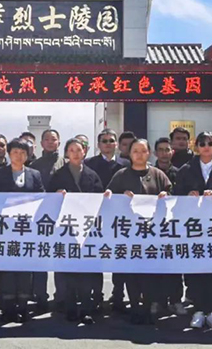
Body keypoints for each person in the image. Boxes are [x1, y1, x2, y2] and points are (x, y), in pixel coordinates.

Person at [173, 131, 212, 330]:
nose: (206, 147)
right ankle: (199, 310)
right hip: (195, 228)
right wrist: (188, 196)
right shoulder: (186, 170)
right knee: (196, 269)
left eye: (210, 143)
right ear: (196, 147)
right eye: (202, 143)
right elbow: (176, 197)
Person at [107, 138, 171, 325]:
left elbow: (171, 194)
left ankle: (149, 307)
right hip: (129, 233)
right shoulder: (121, 175)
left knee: (150, 272)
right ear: (129, 153)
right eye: (135, 151)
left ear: (149, 153)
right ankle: (135, 307)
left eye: (143, 151)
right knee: (132, 272)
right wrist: (120, 197)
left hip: (152, 232)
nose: (139, 155)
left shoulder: (157, 174)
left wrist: (165, 195)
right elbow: (109, 197)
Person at [48, 138, 105, 325]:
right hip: (66, 230)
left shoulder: (92, 175)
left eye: (78, 150)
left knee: (86, 272)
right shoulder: (58, 175)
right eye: (71, 150)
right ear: (66, 153)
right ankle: (70, 308)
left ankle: (86, 309)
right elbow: (48, 198)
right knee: (69, 272)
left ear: (84, 152)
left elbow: (100, 198)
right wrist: (56, 195)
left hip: (87, 230)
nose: (75, 153)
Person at [0, 138, 45, 323]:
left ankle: (22, 306)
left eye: (22, 153)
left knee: (24, 269)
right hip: (5, 229)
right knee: (6, 269)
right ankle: (7, 308)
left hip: (26, 229)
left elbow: (42, 197)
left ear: (27, 155)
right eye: (15, 152)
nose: (18, 156)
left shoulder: (34, 174)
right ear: (9, 154)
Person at [84, 128, 128, 312]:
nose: (108, 144)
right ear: (98, 145)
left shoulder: (126, 164)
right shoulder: (89, 163)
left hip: (120, 218)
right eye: (104, 141)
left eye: (111, 141)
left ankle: (118, 295)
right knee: (96, 257)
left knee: (120, 256)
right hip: (96, 217)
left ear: (116, 144)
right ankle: (96, 295)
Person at [29, 128, 65, 311]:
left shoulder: (65, 163)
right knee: (40, 257)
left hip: (61, 218)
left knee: (60, 256)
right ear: (41, 143)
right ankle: (40, 296)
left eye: (54, 139)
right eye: (47, 139)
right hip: (40, 217)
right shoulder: (34, 165)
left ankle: (61, 296)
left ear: (59, 142)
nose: (51, 142)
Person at [152, 137, 186, 316]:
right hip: (152, 227)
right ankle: (157, 301)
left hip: (174, 226)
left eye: (167, 150)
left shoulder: (180, 173)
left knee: (175, 266)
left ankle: (175, 301)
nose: (164, 153)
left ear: (172, 152)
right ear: (155, 153)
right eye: (161, 150)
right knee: (155, 266)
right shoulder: (149, 173)